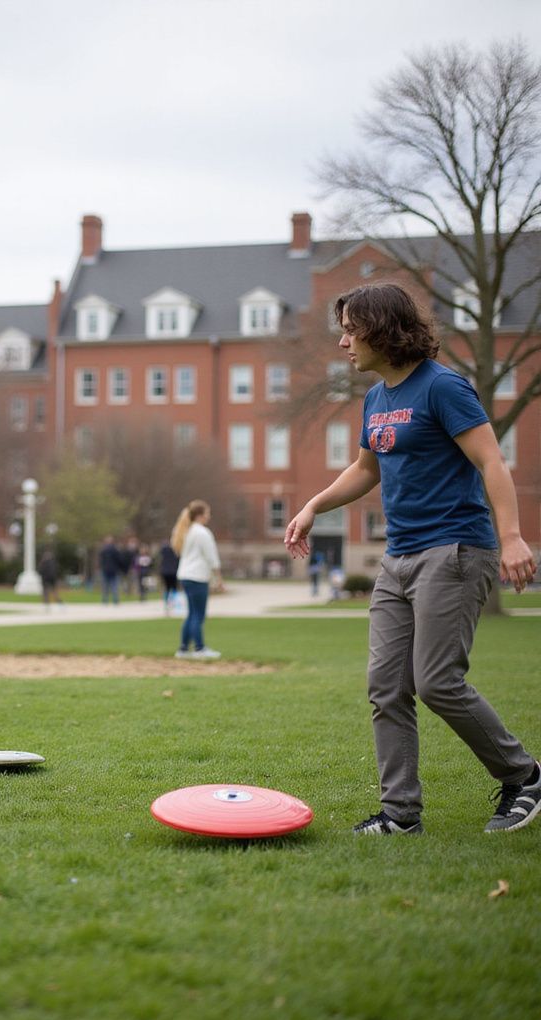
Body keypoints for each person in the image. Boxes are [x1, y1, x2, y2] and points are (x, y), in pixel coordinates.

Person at [284, 282, 539, 835]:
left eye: (352, 330)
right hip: (398, 557)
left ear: (384, 330)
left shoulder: (443, 388)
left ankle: (524, 776)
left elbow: (492, 462)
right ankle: (401, 815)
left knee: (438, 681)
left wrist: (513, 536)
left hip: (453, 549)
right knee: (386, 686)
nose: (344, 342)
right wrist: (314, 506)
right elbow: (366, 470)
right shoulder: (376, 398)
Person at [170, 500, 222, 659]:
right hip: (197, 577)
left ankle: (184, 648)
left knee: (192, 613)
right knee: (198, 614)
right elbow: (211, 557)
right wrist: (218, 578)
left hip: (186, 575)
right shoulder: (202, 532)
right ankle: (199, 648)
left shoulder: (188, 531)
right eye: (207, 513)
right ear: (200, 515)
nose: (209, 516)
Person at [158, 541, 180, 615]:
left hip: (165, 572)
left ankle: (167, 603)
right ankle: (173, 603)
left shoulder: (164, 551)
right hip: (173, 572)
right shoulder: (175, 551)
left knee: (167, 588)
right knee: (174, 588)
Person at [99, 536, 121, 605]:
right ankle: (115, 599)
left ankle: (105, 600)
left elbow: (101, 560)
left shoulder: (103, 550)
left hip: (106, 569)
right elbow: (119, 559)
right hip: (114, 570)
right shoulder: (115, 550)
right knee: (114, 585)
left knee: (106, 585)